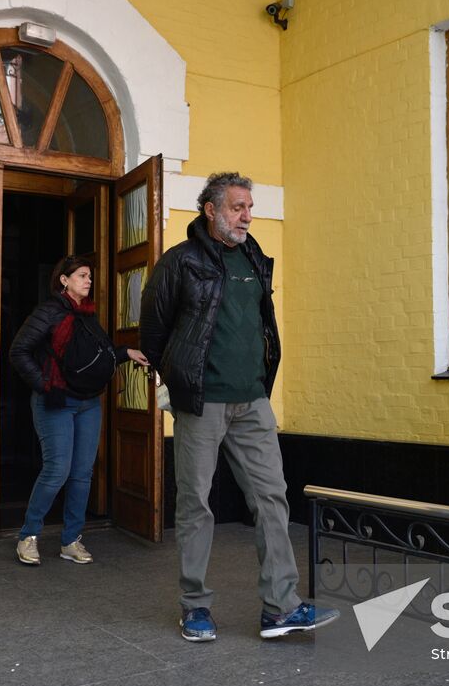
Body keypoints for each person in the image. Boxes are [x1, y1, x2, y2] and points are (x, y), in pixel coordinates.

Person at [140, 172, 338, 642]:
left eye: (249, 207)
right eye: (237, 207)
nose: (247, 216)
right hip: (202, 403)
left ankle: (280, 607)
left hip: (252, 401)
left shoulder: (253, 257)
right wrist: (177, 380)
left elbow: (261, 326)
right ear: (210, 209)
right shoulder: (179, 262)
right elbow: (152, 332)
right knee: (196, 504)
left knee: (272, 497)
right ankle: (194, 607)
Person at [9, 255, 148, 566]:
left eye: (89, 276)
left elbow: (94, 354)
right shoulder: (49, 312)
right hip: (55, 401)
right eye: (82, 275)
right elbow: (19, 350)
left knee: (82, 473)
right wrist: (45, 384)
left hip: (88, 403)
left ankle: (71, 540)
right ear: (64, 280)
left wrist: (126, 352)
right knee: (57, 470)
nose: (88, 281)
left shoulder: (87, 314)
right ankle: (28, 536)